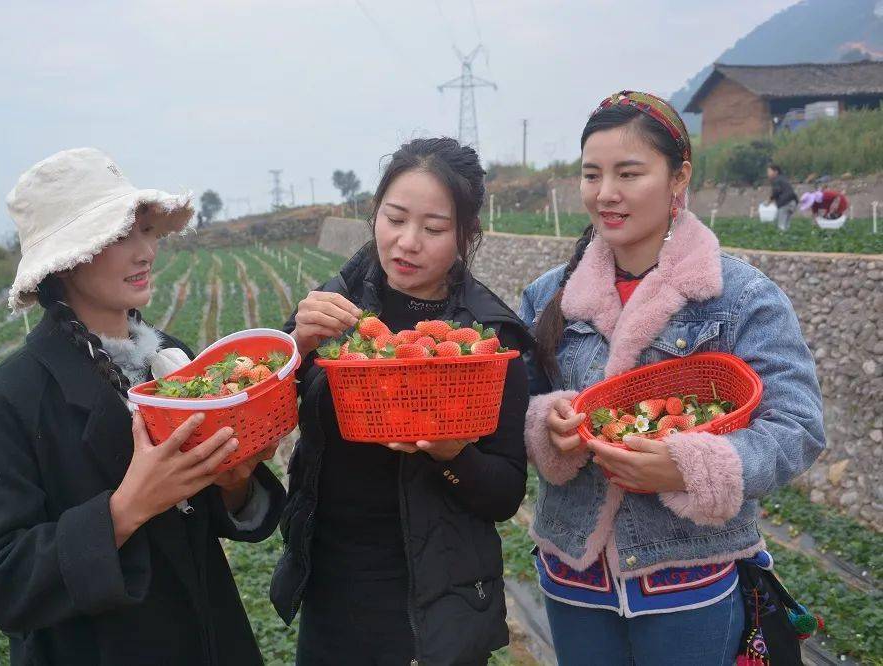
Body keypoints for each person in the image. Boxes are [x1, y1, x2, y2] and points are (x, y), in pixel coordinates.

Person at [519, 92, 825, 665]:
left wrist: (689, 466)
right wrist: (545, 426)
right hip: (574, 576)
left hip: (689, 580)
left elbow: (798, 425)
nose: (605, 193)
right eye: (592, 174)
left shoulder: (738, 296)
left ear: (678, 175)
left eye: (628, 173)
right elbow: (513, 406)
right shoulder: (547, 296)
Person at [0, 148, 285, 665]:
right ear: (65, 262)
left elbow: (217, 515)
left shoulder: (172, 359)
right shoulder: (15, 397)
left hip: (209, 639)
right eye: (118, 237)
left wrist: (234, 480)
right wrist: (124, 511)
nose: (145, 252)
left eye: (144, 231)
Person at [272, 137, 532, 665]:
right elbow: (266, 407)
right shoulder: (336, 302)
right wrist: (293, 349)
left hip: (433, 597)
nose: (407, 242)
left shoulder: (488, 338)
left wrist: (452, 454)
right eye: (394, 219)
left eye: (433, 229)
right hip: (332, 582)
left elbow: (505, 494)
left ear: (466, 234)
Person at [766, 163, 799, 231]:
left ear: (776, 172)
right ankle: (787, 238)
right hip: (793, 202)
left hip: (785, 203)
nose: (768, 174)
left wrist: (770, 199)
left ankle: (782, 239)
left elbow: (776, 191)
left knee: (781, 225)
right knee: (786, 224)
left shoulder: (776, 180)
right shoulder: (783, 178)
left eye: (769, 171)